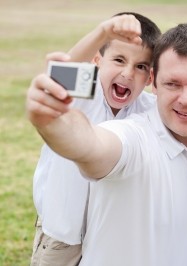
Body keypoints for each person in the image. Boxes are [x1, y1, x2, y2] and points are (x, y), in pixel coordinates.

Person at [27, 22, 187, 266]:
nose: (185, 99)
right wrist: (50, 118)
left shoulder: (148, 105)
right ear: (156, 82)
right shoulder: (95, 95)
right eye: (172, 84)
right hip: (63, 231)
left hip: (94, 231)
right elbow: (88, 140)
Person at [31, 13, 160, 266]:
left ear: (150, 78)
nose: (127, 73)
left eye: (141, 66)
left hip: (110, 239)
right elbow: (60, 74)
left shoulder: (148, 108)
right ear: (97, 61)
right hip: (62, 236)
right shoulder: (84, 93)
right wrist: (103, 32)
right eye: (119, 60)